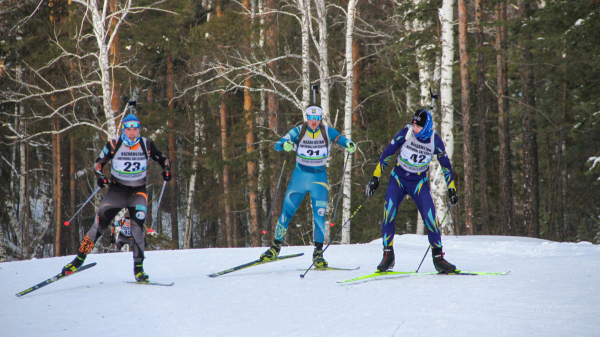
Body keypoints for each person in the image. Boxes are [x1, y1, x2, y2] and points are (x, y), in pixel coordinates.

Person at [61, 114, 171, 282]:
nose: (132, 133)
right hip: (116, 192)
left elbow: (163, 158)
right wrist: (100, 175)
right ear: (123, 130)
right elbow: (98, 163)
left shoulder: (146, 144)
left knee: (137, 228)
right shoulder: (114, 144)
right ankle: (77, 261)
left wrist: (166, 170)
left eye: (135, 129)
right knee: (98, 226)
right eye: (129, 130)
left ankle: (139, 270)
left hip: (138, 193)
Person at [260, 104, 356, 268]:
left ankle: (318, 254)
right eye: (310, 118)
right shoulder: (299, 131)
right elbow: (278, 144)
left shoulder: (326, 131)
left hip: (319, 180)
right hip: (299, 178)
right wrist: (285, 145)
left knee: (319, 217)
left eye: (317, 118)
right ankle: (275, 247)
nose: (313, 121)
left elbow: (341, 139)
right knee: (286, 213)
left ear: (320, 118)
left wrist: (349, 144)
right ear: (306, 118)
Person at [365, 109, 459, 273]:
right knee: (389, 213)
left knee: (430, 218)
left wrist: (452, 189)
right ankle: (388, 255)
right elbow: (387, 154)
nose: (414, 128)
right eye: (414, 124)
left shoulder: (434, 140)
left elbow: (446, 166)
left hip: (418, 182)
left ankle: (438, 258)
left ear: (426, 126)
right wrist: (375, 178)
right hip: (399, 179)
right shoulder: (406, 133)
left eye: (418, 125)